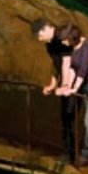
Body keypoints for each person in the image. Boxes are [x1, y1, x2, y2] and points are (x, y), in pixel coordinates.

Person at [56, 23, 88, 165]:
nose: (63, 42)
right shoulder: (73, 48)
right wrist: (66, 86)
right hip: (85, 86)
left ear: (71, 38)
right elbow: (73, 69)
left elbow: (83, 70)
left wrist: (74, 88)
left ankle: (87, 154)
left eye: (64, 40)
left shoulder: (87, 45)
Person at [31, 18, 77, 163]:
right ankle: (67, 152)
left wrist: (65, 86)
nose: (39, 39)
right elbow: (56, 64)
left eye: (39, 35)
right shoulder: (49, 44)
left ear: (46, 29)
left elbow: (67, 63)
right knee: (65, 117)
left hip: (74, 81)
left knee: (68, 116)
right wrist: (53, 84)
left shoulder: (62, 37)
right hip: (65, 83)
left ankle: (70, 155)